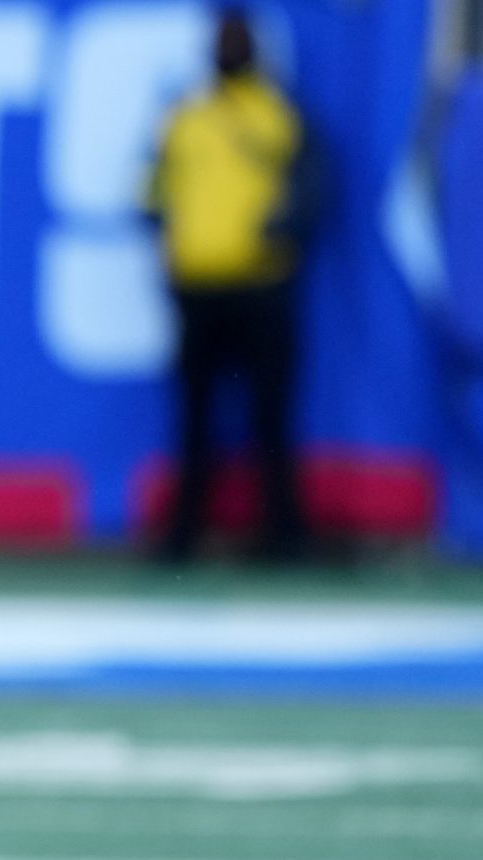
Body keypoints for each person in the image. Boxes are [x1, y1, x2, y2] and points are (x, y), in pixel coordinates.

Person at [145, 9, 316, 563]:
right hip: (198, 288)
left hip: (260, 287)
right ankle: (183, 535)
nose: (228, 49)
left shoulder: (278, 117)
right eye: (223, 41)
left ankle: (282, 535)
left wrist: (278, 231)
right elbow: (155, 192)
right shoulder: (185, 120)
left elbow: (314, 190)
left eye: (236, 41)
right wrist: (172, 239)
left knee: (270, 415)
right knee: (193, 418)